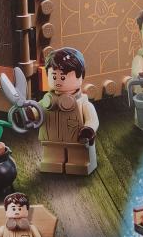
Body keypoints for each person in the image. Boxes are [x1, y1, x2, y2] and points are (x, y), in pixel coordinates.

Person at [38, 47, 99, 175]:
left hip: (77, 141)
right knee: (52, 157)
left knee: (78, 159)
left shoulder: (83, 103)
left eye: (63, 77)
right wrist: (29, 113)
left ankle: (79, 164)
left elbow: (92, 119)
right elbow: (36, 111)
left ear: (80, 76)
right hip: (51, 141)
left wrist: (89, 129)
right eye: (54, 76)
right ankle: (52, 163)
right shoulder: (47, 101)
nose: (58, 80)